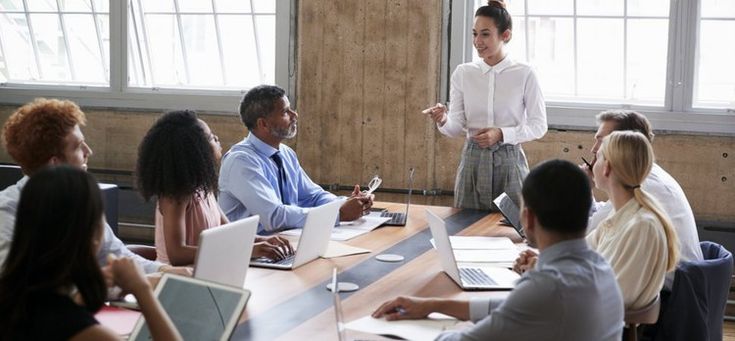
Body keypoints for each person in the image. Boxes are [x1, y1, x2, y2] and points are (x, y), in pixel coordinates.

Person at [372, 160, 624, 341]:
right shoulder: (601, 268)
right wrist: (433, 305)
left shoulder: (547, 287)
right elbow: (511, 307)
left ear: (528, 217)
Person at [0, 98, 187, 276]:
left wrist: (165, 272)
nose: (88, 152)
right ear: (54, 164)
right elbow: (23, 285)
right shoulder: (6, 213)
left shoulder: (78, 200)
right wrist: (135, 284)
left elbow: (118, 255)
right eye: (78, 147)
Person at [0, 166, 181, 341]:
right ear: (93, 235)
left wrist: (89, 288)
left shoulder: (16, 300)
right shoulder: (80, 330)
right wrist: (143, 291)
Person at [422, 0, 547, 210]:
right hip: (472, 161)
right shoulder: (463, 73)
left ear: (505, 35)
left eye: (485, 34)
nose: (478, 41)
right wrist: (443, 119)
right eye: (474, 33)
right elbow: (455, 127)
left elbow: (539, 126)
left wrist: (501, 134)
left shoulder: (525, 73)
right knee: (465, 228)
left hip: (510, 162)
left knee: (515, 229)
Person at [135, 110, 293, 266]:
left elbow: (229, 232)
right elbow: (177, 255)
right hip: (177, 278)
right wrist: (249, 250)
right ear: (195, 150)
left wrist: (262, 241)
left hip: (207, 271)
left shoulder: (204, 188)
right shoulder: (175, 196)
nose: (217, 138)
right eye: (210, 137)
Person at [218, 85, 373, 233]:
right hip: (253, 252)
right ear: (263, 124)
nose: (295, 115)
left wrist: (346, 203)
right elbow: (274, 216)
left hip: (285, 242)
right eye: (285, 112)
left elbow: (313, 196)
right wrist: (338, 214)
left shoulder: (285, 153)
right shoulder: (241, 162)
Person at [585, 110, 702, 289]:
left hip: (665, 299)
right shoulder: (642, 180)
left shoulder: (643, 191)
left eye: (601, 142)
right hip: (662, 290)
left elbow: (583, 236)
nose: (594, 149)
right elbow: (593, 235)